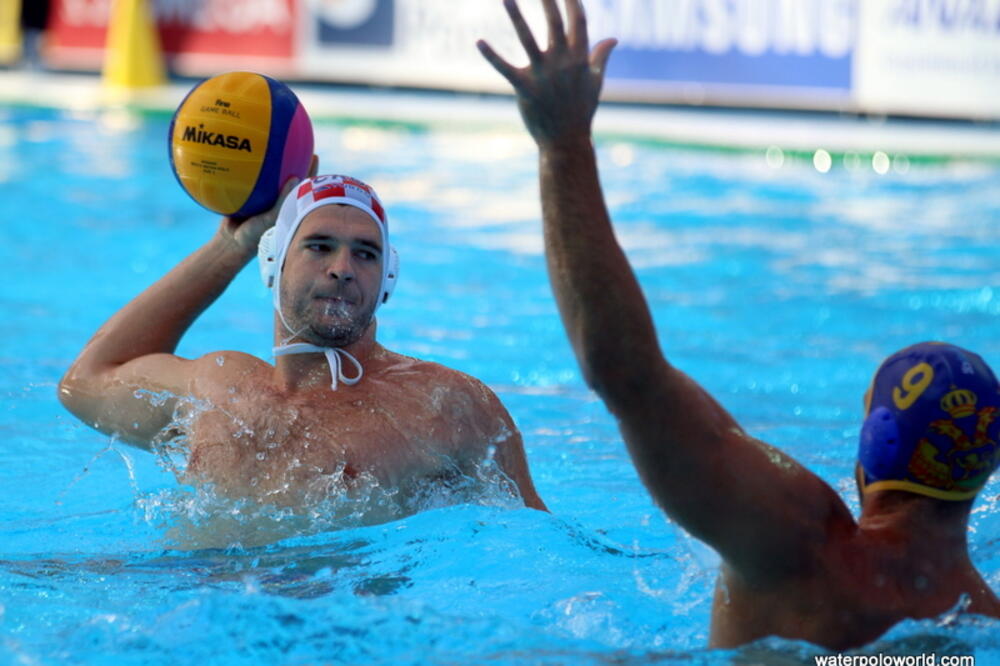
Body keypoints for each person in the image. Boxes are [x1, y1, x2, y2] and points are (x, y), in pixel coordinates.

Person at [478, 0, 1000, 651]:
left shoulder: (798, 540)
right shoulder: (980, 624)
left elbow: (627, 375)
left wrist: (564, 144)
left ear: (875, 447)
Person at [58, 166, 547, 524]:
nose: (342, 267)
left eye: (365, 253)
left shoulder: (446, 405)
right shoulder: (216, 387)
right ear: (272, 261)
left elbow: (539, 544)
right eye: (318, 246)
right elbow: (85, 384)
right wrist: (228, 249)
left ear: (387, 279)